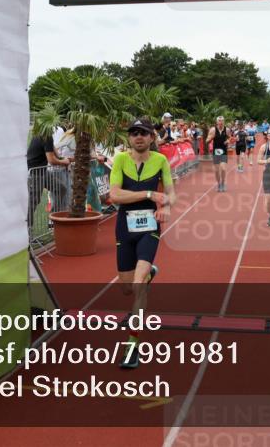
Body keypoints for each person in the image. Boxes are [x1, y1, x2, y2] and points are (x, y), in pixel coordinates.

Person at [108, 118, 176, 369]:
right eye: (134, 133)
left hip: (149, 228)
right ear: (129, 138)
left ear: (151, 137)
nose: (138, 137)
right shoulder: (120, 160)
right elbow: (115, 195)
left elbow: (170, 193)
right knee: (126, 288)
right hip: (124, 228)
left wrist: (166, 206)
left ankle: (132, 346)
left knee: (138, 287)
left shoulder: (160, 161)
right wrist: (148, 194)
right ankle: (149, 274)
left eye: (143, 133)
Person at [27, 131, 71, 223]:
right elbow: (51, 160)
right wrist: (64, 162)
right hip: (35, 173)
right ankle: (28, 229)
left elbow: (51, 147)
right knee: (34, 201)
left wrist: (60, 158)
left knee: (61, 188)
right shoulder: (46, 136)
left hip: (42, 171)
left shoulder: (44, 134)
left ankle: (53, 219)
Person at [206, 116, 232, 192]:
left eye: (222, 121)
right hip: (216, 151)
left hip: (223, 151)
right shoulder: (213, 130)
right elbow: (206, 141)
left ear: (224, 121)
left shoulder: (227, 130)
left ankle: (223, 183)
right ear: (217, 122)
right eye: (219, 121)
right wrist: (211, 138)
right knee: (217, 170)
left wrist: (228, 141)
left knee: (223, 169)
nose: (220, 122)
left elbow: (230, 137)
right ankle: (219, 184)